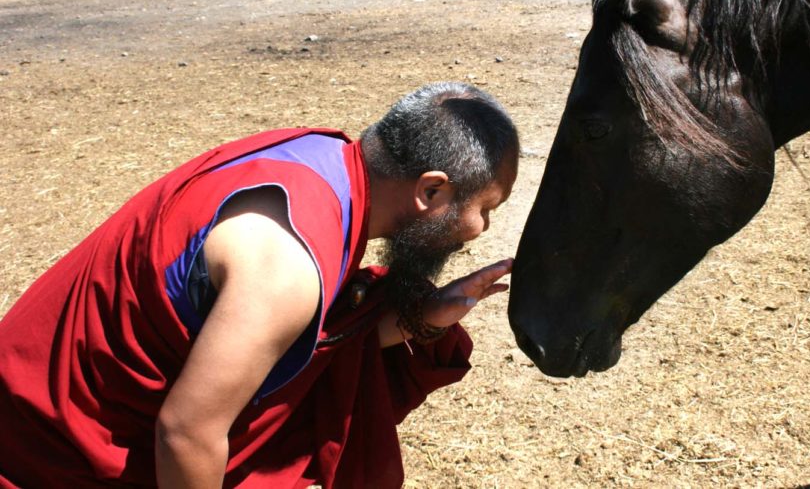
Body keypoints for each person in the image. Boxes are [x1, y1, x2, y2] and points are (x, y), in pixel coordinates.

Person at [0, 82, 519, 489]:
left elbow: (299, 344)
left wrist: (422, 317)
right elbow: (186, 435)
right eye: (484, 209)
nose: (483, 230)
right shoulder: (286, 265)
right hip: (46, 454)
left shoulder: (322, 156)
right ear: (430, 190)